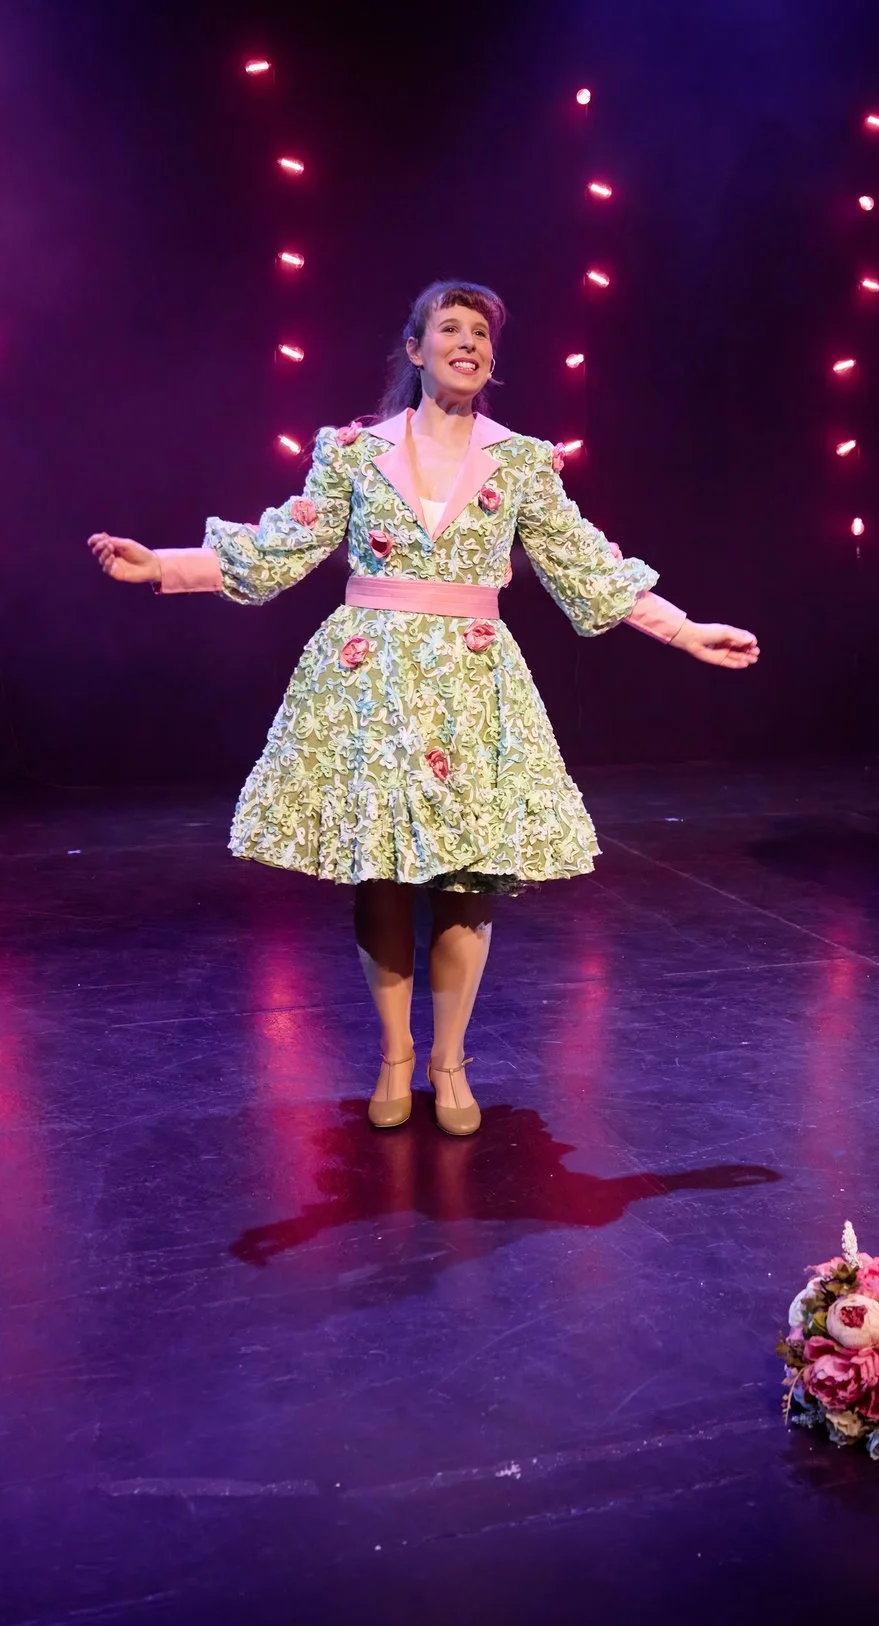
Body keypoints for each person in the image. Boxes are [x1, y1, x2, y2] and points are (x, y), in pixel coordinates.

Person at [89, 280, 759, 1133]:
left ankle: (449, 1061)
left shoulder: (521, 461)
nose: (468, 342)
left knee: (466, 879)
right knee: (381, 873)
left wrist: (682, 629)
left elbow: (586, 565)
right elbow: (280, 543)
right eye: (451, 328)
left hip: (471, 686)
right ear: (415, 350)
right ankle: (396, 1056)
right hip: (369, 683)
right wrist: (164, 568)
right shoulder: (353, 451)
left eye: (481, 332)